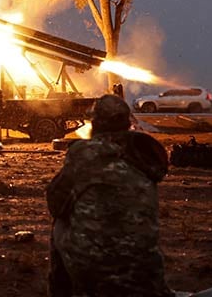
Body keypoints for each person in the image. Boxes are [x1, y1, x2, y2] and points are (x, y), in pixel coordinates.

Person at [46, 95, 173, 297]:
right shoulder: (145, 153)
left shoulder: (85, 152)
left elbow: (56, 203)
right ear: (127, 122)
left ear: (96, 122)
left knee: (60, 224)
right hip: (144, 274)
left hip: (94, 272)